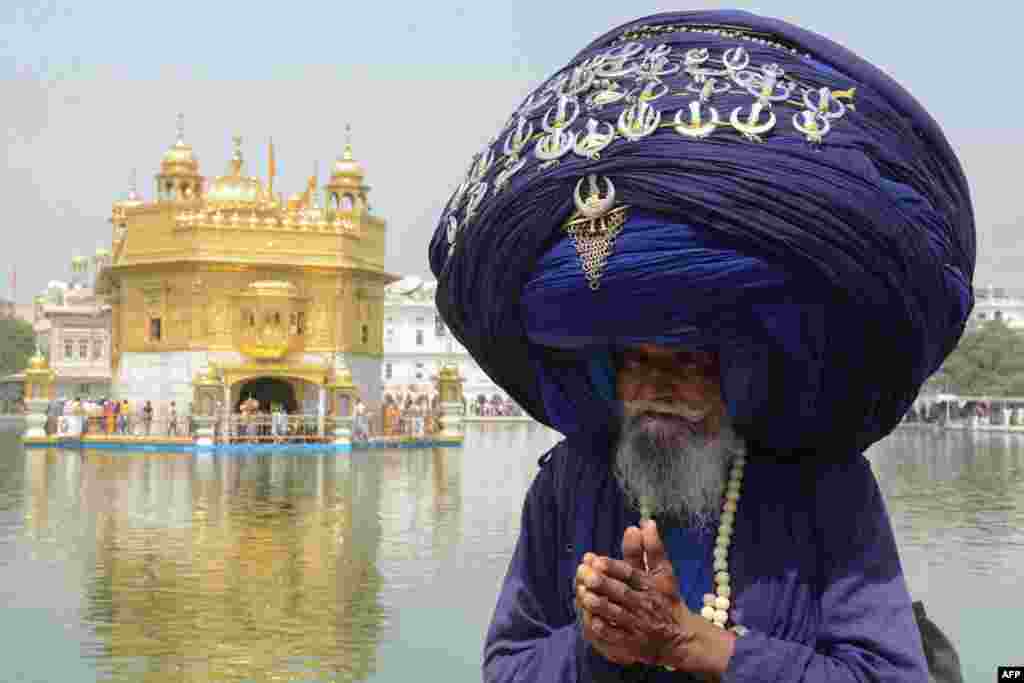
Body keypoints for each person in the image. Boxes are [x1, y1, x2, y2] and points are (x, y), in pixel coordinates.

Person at [428, 10, 973, 681]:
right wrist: (595, 645)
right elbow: (505, 667)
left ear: (736, 371)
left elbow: (894, 675)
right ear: (610, 371)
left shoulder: (827, 487)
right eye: (638, 360)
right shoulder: (570, 481)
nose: (658, 384)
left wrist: (696, 645)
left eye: (687, 362)